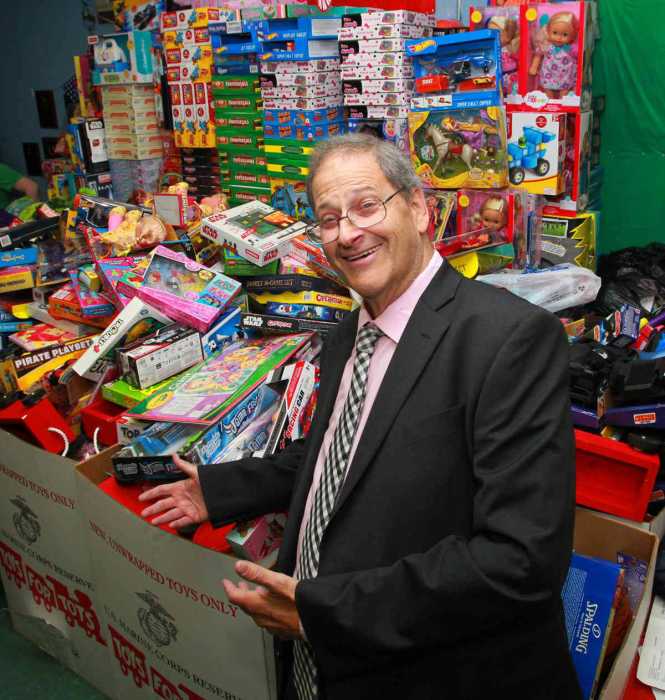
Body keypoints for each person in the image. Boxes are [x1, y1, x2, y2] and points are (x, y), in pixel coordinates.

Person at [140, 134, 581, 700]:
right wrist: (221, 489)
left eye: (367, 206)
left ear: (418, 208)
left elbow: (521, 560)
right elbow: (340, 453)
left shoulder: (509, 338)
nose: (347, 233)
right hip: (334, 667)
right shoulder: (349, 335)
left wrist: (325, 614)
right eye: (329, 219)